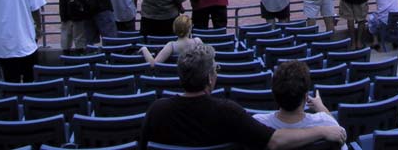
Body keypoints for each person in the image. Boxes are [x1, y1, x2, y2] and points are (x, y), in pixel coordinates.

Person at [138, 43, 346, 150]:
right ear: (210, 78)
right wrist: (322, 127)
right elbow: (274, 141)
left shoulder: (157, 110)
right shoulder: (228, 112)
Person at [253, 61, 345, 144]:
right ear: (305, 97)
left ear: (274, 94)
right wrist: (321, 107)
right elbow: (340, 133)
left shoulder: (257, 123)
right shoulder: (325, 123)